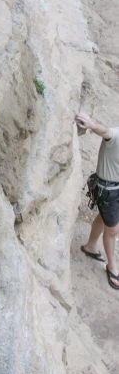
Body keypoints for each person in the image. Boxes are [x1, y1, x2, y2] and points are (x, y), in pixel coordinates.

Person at [75, 113, 119, 290]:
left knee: (104, 218)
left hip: (114, 188)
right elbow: (106, 131)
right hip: (107, 191)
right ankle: (112, 266)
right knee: (113, 230)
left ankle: (90, 246)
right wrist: (92, 125)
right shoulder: (116, 135)